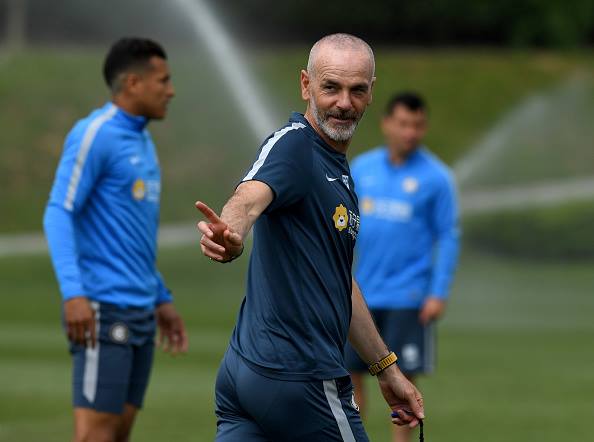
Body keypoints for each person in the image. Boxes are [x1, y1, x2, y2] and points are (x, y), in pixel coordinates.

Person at [195, 34, 425, 442]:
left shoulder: (335, 166)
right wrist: (230, 233)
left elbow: (338, 281)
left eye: (357, 90)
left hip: (247, 375)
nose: (344, 103)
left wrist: (386, 369)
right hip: (301, 378)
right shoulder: (295, 146)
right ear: (306, 85)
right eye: (331, 87)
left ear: (371, 93)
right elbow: (248, 198)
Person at [43, 37, 188, 442]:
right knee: (96, 435)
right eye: (163, 80)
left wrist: (159, 296)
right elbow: (58, 211)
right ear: (132, 83)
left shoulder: (143, 141)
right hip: (102, 307)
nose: (171, 91)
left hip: (141, 309)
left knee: (119, 433)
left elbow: (129, 234)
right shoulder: (95, 134)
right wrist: (74, 293)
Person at [344, 92, 460, 442]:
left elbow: (448, 236)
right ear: (386, 124)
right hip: (360, 294)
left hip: (408, 297)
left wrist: (437, 293)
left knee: (403, 385)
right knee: (349, 379)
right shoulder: (362, 168)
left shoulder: (437, 177)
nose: (410, 132)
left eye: (418, 125)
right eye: (404, 124)